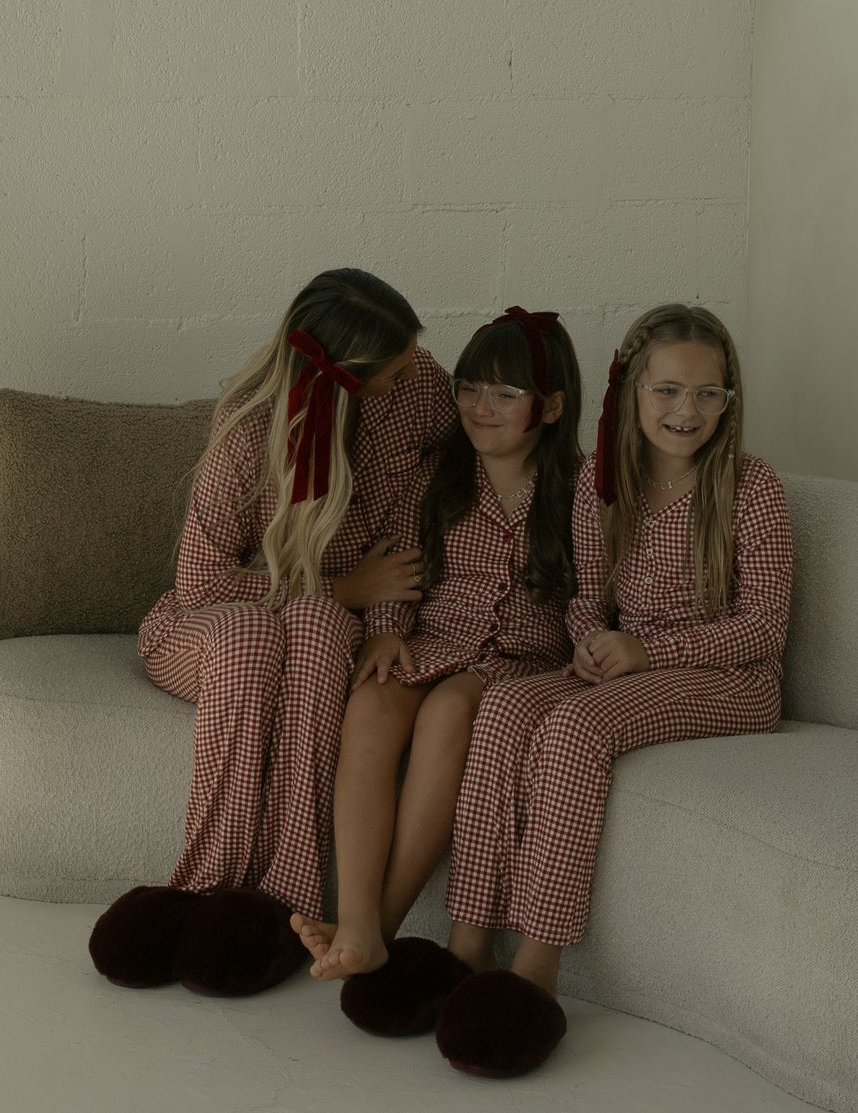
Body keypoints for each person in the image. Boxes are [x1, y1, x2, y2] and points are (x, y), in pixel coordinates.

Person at [349, 302, 794, 1077]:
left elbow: (765, 626)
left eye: (707, 393)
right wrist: (591, 641)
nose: (686, 410)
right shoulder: (600, 481)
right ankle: (467, 942)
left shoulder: (751, 487)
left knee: (573, 729)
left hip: (730, 677)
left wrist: (648, 650)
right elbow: (589, 597)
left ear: (729, 399)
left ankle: (536, 966)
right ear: (632, 390)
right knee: (504, 706)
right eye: (666, 390)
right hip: (631, 662)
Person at [87, 267, 454, 998]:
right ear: (348, 378)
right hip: (207, 629)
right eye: (395, 368)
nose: (415, 374)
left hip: (319, 625)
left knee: (317, 627)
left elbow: (408, 529)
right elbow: (202, 583)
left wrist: (382, 623)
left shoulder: (419, 394)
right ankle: (201, 888)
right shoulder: (249, 430)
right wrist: (343, 588)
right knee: (253, 636)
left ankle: (284, 899)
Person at [290, 308, 583, 1005]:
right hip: (434, 640)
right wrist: (387, 628)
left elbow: (595, 590)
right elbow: (397, 561)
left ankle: (379, 927)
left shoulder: (577, 491)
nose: (481, 407)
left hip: (518, 663)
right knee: (372, 699)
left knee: (450, 710)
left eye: (505, 393)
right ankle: (358, 914)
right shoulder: (438, 479)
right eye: (469, 387)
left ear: (551, 406)